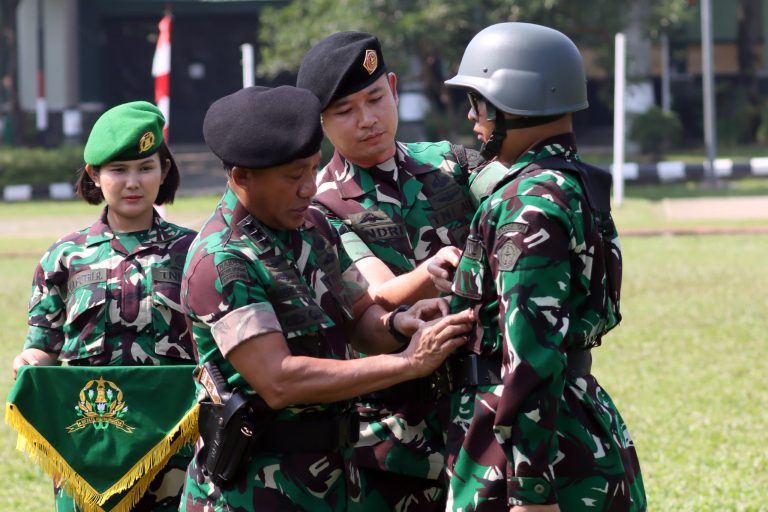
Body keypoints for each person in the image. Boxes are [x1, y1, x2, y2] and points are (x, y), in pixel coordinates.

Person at [178, 85, 474, 511]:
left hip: (338, 477)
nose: (307, 188)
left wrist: (399, 325)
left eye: (313, 170)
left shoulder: (313, 225)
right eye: (293, 176)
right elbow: (280, 380)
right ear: (242, 177)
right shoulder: (221, 259)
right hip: (256, 489)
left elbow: (358, 316)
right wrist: (409, 362)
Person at [438, 22, 647, 511]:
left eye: (480, 103)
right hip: (578, 422)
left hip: (526, 456)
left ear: (514, 101)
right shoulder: (575, 184)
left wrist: (530, 489)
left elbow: (529, 352)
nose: (473, 119)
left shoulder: (527, 202)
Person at [296, 31, 484, 511]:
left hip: (481, 409)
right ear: (321, 122)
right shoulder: (321, 204)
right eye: (345, 111)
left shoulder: (451, 163)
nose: (367, 120)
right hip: (394, 434)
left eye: (376, 98)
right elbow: (377, 292)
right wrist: (432, 271)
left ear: (394, 88)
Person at [11, 101, 198, 511]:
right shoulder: (64, 257)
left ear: (164, 171)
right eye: (118, 170)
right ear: (95, 176)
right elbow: (44, 344)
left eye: (146, 167)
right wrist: (29, 361)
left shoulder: (193, 251)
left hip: (174, 439)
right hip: (90, 439)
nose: (133, 182)